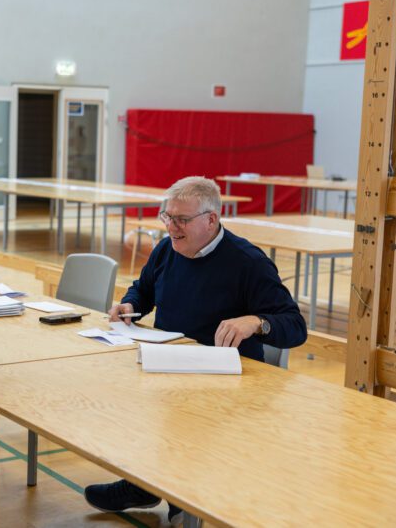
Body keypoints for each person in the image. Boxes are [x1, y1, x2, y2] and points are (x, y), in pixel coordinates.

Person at [83, 176, 307, 524]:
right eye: (167, 216)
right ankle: (147, 483)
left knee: (182, 418)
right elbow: (143, 289)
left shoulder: (248, 262)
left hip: (227, 380)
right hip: (171, 363)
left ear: (211, 219)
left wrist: (256, 322)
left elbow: (295, 326)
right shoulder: (167, 249)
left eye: (181, 220)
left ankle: (175, 495)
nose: (171, 227)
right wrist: (130, 304)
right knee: (117, 402)